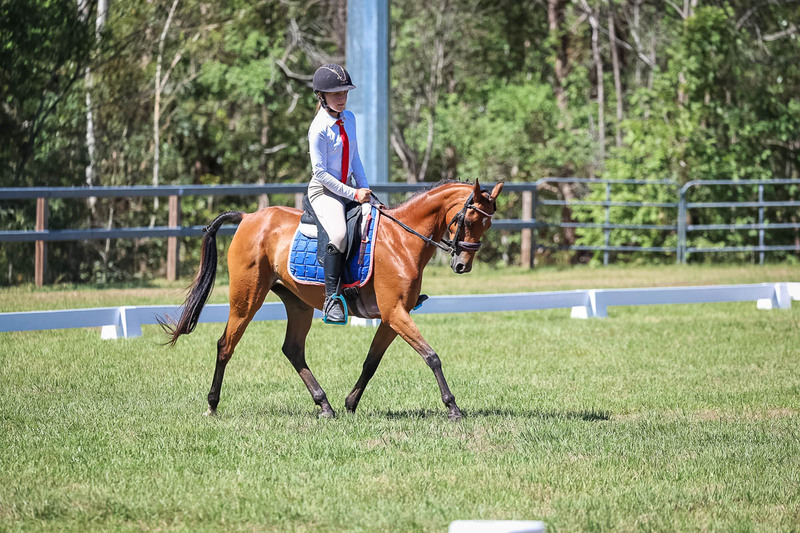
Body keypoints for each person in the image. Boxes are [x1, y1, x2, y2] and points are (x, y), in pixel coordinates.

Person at [307, 64, 372, 324]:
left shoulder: (350, 119)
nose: (342, 97)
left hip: (349, 188)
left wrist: (366, 189)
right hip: (324, 191)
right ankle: (331, 299)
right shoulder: (318, 128)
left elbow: (355, 157)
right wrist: (353, 194)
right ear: (321, 96)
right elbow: (320, 173)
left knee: (377, 222)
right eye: (336, 94)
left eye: (344, 92)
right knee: (339, 235)